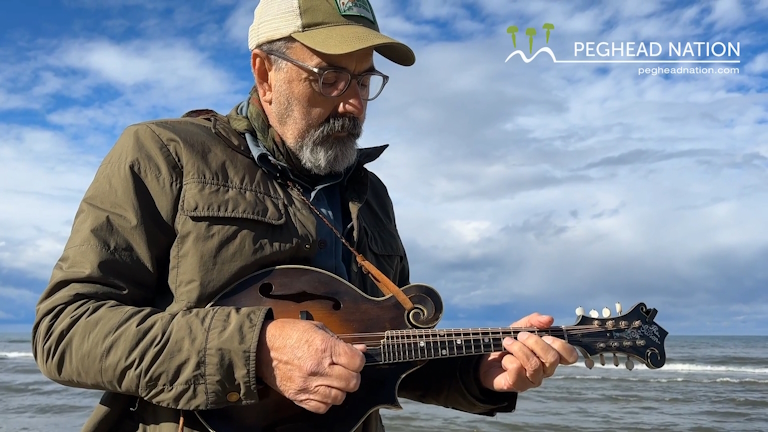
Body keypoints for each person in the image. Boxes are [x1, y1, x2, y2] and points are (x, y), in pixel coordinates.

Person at [32, 0, 578, 431]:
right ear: (265, 72)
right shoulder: (162, 153)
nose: (353, 104)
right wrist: (256, 350)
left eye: (364, 80)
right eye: (329, 77)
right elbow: (65, 330)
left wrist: (482, 375)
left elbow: (386, 351)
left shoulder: (371, 195)